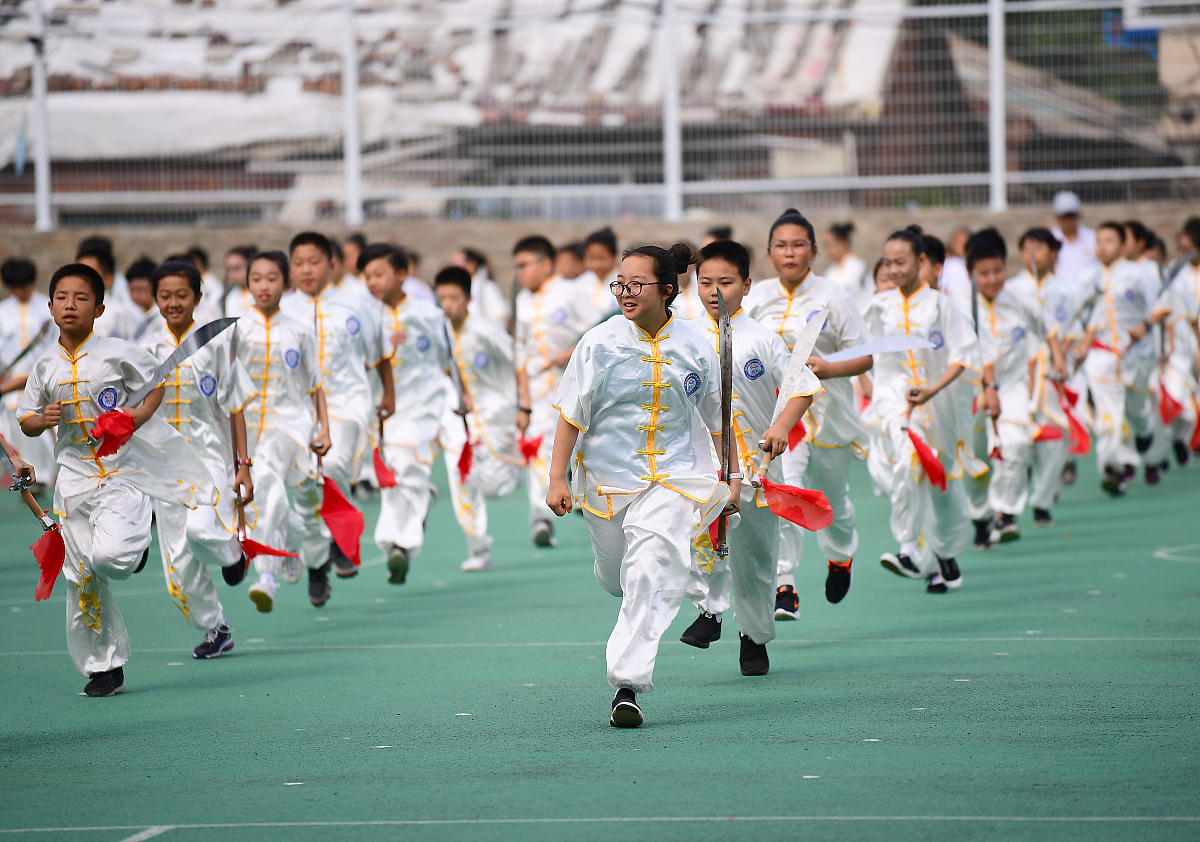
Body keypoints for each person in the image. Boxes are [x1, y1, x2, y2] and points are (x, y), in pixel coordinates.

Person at [545, 242, 732, 728]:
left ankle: (626, 686)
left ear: (668, 290)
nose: (625, 293)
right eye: (620, 284)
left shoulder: (695, 345)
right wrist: (556, 477)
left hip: (674, 477)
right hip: (608, 482)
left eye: (636, 284)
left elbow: (716, 420)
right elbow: (570, 414)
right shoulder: (599, 343)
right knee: (618, 578)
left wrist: (731, 478)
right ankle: (668, 576)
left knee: (648, 566)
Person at [17, 263, 217, 696]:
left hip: (119, 474)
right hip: (71, 483)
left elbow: (156, 381)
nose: (71, 305)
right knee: (82, 576)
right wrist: (41, 420)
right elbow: (26, 421)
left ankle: (133, 546)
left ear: (100, 308)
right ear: (50, 307)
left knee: (109, 560)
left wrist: (138, 416)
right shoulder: (44, 367)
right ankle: (103, 667)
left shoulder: (117, 353)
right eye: (63, 298)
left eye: (82, 298)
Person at [679, 239, 821, 675]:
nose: (714, 292)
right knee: (696, 540)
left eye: (725, 282)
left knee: (756, 557)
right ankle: (710, 612)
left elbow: (803, 386)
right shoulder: (681, 338)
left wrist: (780, 427)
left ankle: (753, 637)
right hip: (703, 467)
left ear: (747, 285)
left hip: (758, 466)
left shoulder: (763, 339)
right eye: (705, 283)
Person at [743, 208, 873, 619]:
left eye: (799, 245)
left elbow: (865, 356)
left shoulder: (834, 296)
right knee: (786, 492)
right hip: (781, 417)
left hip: (828, 410)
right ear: (769, 253)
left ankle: (840, 555)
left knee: (831, 498)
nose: (790, 253)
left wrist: (829, 367)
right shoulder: (758, 297)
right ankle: (785, 585)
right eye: (781, 245)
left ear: (814, 251)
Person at [142, 260, 257, 658]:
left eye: (182, 295)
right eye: (165, 295)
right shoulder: (146, 349)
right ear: (156, 298)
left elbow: (235, 405)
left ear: (197, 297)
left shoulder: (215, 342)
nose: (173, 303)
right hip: (164, 467)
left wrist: (244, 465)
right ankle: (216, 628)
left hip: (210, 459)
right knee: (178, 569)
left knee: (202, 531)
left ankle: (233, 554)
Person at [865, 229, 984, 593]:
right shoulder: (879, 306)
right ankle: (909, 550)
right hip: (898, 404)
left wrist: (933, 388)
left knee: (941, 487)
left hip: (941, 404)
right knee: (908, 464)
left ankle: (942, 554)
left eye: (901, 262)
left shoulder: (942, 306)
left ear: (921, 262)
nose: (894, 270)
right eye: (888, 263)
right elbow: (864, 351)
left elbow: (964, 356)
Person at [283, 232, 394, 589]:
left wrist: (388, 394)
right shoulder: (282, 311)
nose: (306, 270)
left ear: (330, 264)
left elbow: (379, 356)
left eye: (313, 262)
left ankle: (342, 539)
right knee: (304, 487)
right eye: (298, 263)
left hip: (347, 404)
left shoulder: (358, 306)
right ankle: (317, 562)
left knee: (332, 465)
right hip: (299, 410)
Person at [236, 251, 333, 611]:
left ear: (286, 284)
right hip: (245, 431)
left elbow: (314, 385)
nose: (264, 286)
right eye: (256, 278)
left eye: (272, 278)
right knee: (260, 500)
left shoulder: (299, 330)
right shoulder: (235, 331)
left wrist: (324, 427)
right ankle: (279, 559)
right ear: (248, 283)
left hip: (288, 427)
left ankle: (279, 571)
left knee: (280, 494)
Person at [360, 243, 451, 584]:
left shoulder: (428, 314)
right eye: (367, 275)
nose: (373, 281)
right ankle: (402, 534)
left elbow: (446, 359)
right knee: (394, 473)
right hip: (384, 408)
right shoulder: (366, 318)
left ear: (401, 274)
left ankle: (400, 544)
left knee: (407, 463)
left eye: (379, 273)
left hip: (422, 405)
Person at [436, 265, 523, 572]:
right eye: (442, 298)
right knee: (461, 474)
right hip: (465, 419)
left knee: (497, 485)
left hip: (500, 413)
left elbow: (516, 363)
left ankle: (519, 469)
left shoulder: (486, 331)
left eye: (454, 298)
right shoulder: (441, 331)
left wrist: (522, 406)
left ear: (469, 298)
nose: (448, 305)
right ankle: (478, 547)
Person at [513, 235, 595, 547]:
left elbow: (596, 330)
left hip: (573, 383)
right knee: (539, 450)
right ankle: (541, 518)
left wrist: (567, 354)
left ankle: (582, 494)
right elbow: (519, 353)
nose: (518, 272)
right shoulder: (522, 300)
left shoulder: (571, 292)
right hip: (537, 391)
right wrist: (523, 403)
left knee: (577, 444)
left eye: (524, 265)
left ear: (545, 264)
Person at [966, 230, 1046, 544]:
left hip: (1012, 387)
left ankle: (1005, 514)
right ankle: (980, 516)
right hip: (970, 392)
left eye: (998, 271)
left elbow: (1048, 327)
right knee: (975, 464)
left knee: (1016, 444)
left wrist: (1061, 355)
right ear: (973, 274)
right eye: (984, 273)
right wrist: (987, 386)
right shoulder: (960, 302)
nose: (992, 279)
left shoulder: (1019, 298)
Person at [1073, 222, 1162, 493]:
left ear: (1122, 245)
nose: (1102, 246)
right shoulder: (1088, 278)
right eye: (1099, 240)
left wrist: (1144, 327)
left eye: (1109, 240)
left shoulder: (1139, 274)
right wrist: (1082, 346)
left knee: (1136, 411)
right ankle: (1113, 468)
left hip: (1137, 354)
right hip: (1101, 356)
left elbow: (1161, 307)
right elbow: (1082, 316)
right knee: (1108, 416)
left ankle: (1145, 432)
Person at [1017, 228, 1075, 526]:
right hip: (1018, 375)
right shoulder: (1012, 289)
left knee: (1054, 435)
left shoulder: (1065, 290)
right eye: (1026, 248)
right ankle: (1009, 503)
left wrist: (1060, 357)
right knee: (1017, 436)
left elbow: (1072, 331)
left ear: (1053, 254)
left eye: (1038, 248)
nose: (1032, 255)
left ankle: (1042, 500)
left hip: (1052, 374)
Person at [0, 257, 57, 495]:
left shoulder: (48, 307)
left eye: (25, 285)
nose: (21, 291)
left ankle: (43, 477)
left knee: (41, 430)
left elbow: (54, 344)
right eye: (16, 287)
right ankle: (24, 476)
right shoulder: (2, 312)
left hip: (41, 378)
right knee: (12, 429)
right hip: (9, 381)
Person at [76, 240, 134, 339]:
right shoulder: (68, 308)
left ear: (108, 278)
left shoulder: (117, 312)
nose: (82, 279)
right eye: (78, 272)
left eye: (90, 273)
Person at [821, 222, 873, 313]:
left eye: (828, 245)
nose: (826, 251)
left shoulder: (859, 268)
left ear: (842, 243)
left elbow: (870, 297)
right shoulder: (830, 272)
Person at [451, 248, 511, 325]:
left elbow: (500, 315)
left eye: (457, 263)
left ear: (472, 264)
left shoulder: (488, 287)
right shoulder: (459, 287)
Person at [1051, 191, 1098, 287]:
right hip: (1059, 292)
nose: (1068, 220)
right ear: (1057, 217)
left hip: (1088, 293)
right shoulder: (1050, 238)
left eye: (1071, 216)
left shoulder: (1092, 237)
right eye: (1064, 216)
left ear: (1078, 215)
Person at [582, 228, 620, 318]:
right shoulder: (582, 282)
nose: (597, 264)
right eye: (592, 258)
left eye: (602, 258)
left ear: (614, 256)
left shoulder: (621, 282)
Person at [125, 257, 164, 341]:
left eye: (140, 290)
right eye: (132, 290)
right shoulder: (132, 312)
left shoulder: (160, 316)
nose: (135, 296)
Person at [222, 246, 256, 318]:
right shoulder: (231, 297)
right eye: (229, 269)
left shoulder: (259, 293)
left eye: (236, 268)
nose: (232, 273)